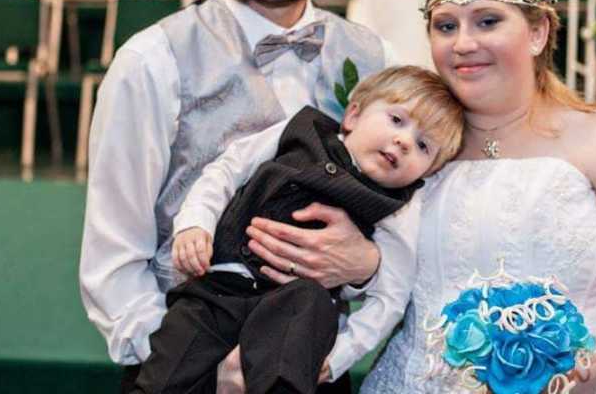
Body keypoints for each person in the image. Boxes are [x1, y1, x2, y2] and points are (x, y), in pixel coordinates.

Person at [248, 0, 596, 393]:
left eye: (487, 21)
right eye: (445, 25)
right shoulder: (413, 152)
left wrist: (558, 382)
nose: (463, 43)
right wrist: (362, 267)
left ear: (538, 32)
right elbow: (385, 277)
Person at [80, 0, 392, 394]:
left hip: (314, 366)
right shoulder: (152, 61)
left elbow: (403, 231)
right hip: (185, 364)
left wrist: (366, 264)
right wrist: (201, 370)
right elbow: (113, 260)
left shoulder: (376, 61)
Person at [131, 66, 464, 394]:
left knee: (308, 306)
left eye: (424, 146)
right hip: (218, 287)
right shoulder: (300, 132)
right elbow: (228, 170)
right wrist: (195, 223)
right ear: (353, 116)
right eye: (397, 120)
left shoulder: (398, 208)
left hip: (291, 309)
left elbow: (390, 297)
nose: (404, 141)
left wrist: (340, 356)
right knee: (170, 365)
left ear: (428, 171)